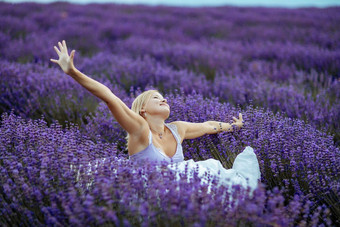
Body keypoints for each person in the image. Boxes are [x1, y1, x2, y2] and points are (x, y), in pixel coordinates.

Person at [51, 40, 261, 192]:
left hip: (180, 192)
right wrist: (73, 72)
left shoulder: (177, 129)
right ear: (143, 109)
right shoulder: (140, 130)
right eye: (156, 98)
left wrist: (234, 126)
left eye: (164, 98)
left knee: (217, 174)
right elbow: (110, 97)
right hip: (149, 192)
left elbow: (207, 126)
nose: (164, 100)